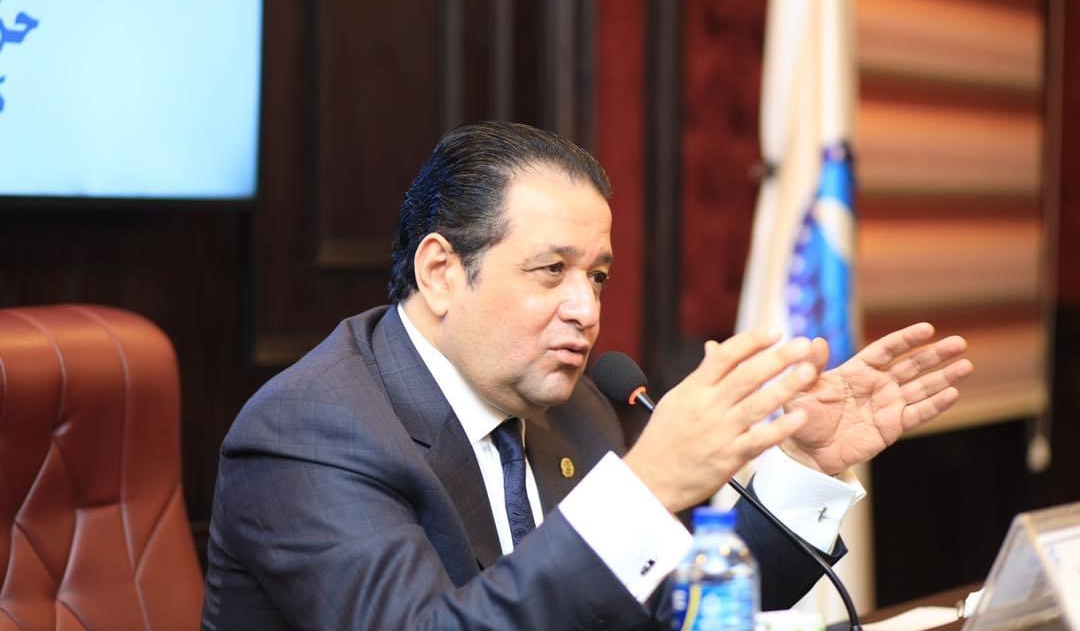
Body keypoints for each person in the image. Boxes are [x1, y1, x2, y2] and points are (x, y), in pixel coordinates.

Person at [200, 122, 972, 630]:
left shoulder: (578, 411)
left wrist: (805, 464)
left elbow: (676, 607)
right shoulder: (312, 430)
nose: (585, 309)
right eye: (551, 271)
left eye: (597, 276)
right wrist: (645, 488)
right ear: (440, 272)